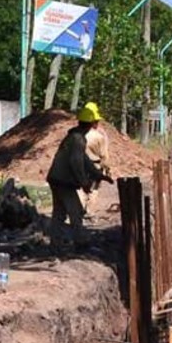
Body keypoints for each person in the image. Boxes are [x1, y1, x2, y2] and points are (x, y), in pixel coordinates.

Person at [46, 103, 110, 248]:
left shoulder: (75, 137)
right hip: (63, 181)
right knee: (76, 212)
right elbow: (76, 162)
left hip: (56, 179)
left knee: (59, 212)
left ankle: (55, 244)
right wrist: (84, 182)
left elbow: (85, 160)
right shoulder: (77, 139)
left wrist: (98, 174)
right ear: (93, 123)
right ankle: (81, 242)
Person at [82, 102, 109, 208]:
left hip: (81, 165)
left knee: (81, 188)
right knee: (94, 189)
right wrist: (107, 168)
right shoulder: (99, 136)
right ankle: (90, 211)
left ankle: (80, 209)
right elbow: (104, 155)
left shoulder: (77, 135)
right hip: (95, 166)